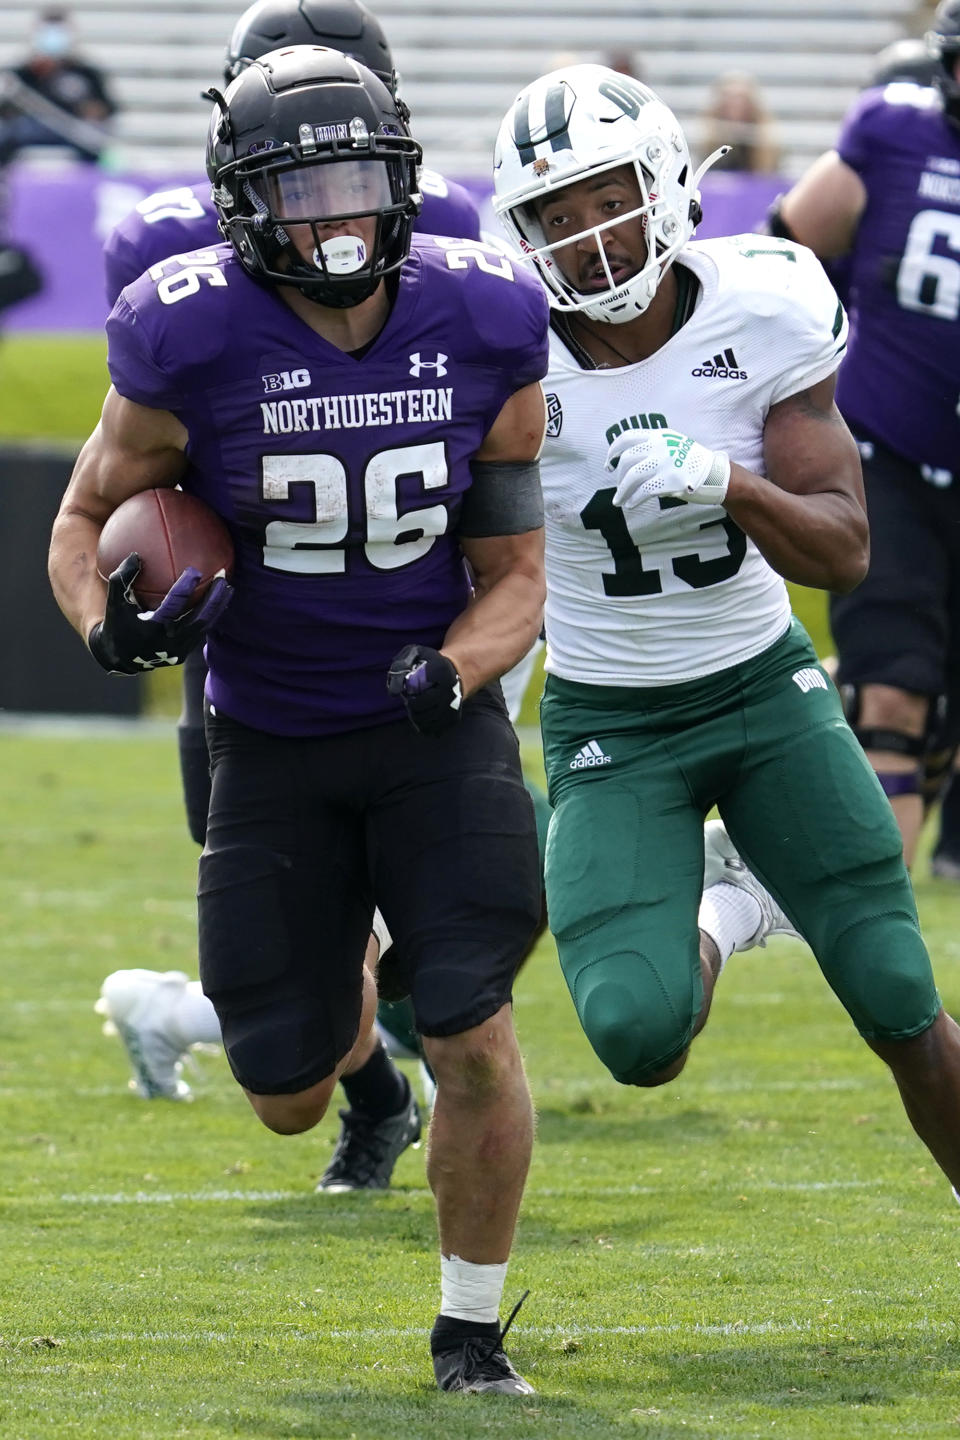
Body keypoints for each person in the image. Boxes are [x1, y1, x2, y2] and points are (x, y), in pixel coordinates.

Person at [50, 46, 549, 1395]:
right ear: (242, 203)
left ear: (400, 183)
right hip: (265, 731)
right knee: (282, 1087)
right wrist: (106, 621)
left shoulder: (487, 315)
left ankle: (470, 1334)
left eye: (353, 183)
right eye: (298, 188)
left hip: (429, 724)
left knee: (471, 1023)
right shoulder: (186, 330)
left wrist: (455, 670)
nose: (332, 217)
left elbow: (517, 581)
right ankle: (354, 1087)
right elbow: (87, 519)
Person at [491, 63, 960, 1207]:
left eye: (609, 197)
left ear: (665, 185)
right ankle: (730, 901)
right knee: (636, 1033)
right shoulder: (502, 351)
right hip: (611, 717)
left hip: (762, 691)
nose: (593, 237)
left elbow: (846, 549)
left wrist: (728, 485)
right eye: (560, 215)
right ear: (525, 231)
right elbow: (481, 559)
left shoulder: (765, 301)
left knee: (897, 986)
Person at [94, 0, 489, 1199]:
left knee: (415, 931)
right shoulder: (166, 255)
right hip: (254, 650)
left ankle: (430, 1060)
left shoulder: (457, 246)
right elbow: (134, 463)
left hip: (418, 625)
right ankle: (377, 1095)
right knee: (291, 948)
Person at [769, 0, 960, 875]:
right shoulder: (892, 132)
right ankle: (893, 925)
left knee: (934, 700)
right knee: (891, 688)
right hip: (890, 451)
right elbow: (787, 250)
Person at [0, 7, 116, 164]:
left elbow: (107, 108)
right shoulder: (21, 73)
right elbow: (6, 108)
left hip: (70, 130)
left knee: (92, 139)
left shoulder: (86, 73)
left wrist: (92, 110)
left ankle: (89, 185)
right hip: (30, 129)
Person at [698, 70, 780, 174]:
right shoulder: (710, 139)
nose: (735, 104)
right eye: (730, 98)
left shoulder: (765, 143)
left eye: (740, 98)